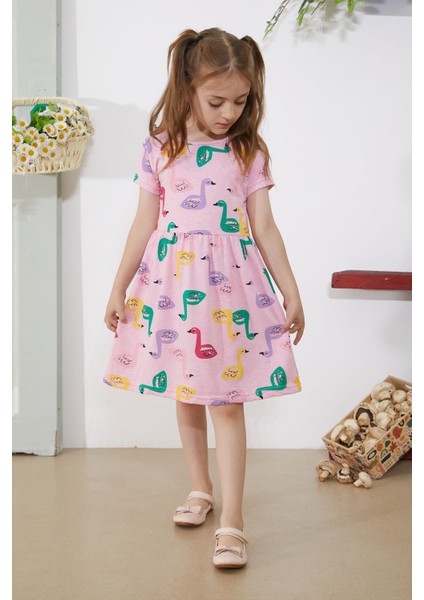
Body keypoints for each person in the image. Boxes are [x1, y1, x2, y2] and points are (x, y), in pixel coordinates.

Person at [103, 27, 305, 569]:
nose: (229, 113)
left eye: (240, 101)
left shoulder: (247, 150)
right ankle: (200, 488)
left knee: (228, 403)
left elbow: (265, 226)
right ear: (188, 86)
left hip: (231, 292)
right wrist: (119, 286)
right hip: (171, 289)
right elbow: (143, 224)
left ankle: (233, 521)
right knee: (186, 393)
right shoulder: (161, 147)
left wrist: (291, 290)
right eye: (217, 102)